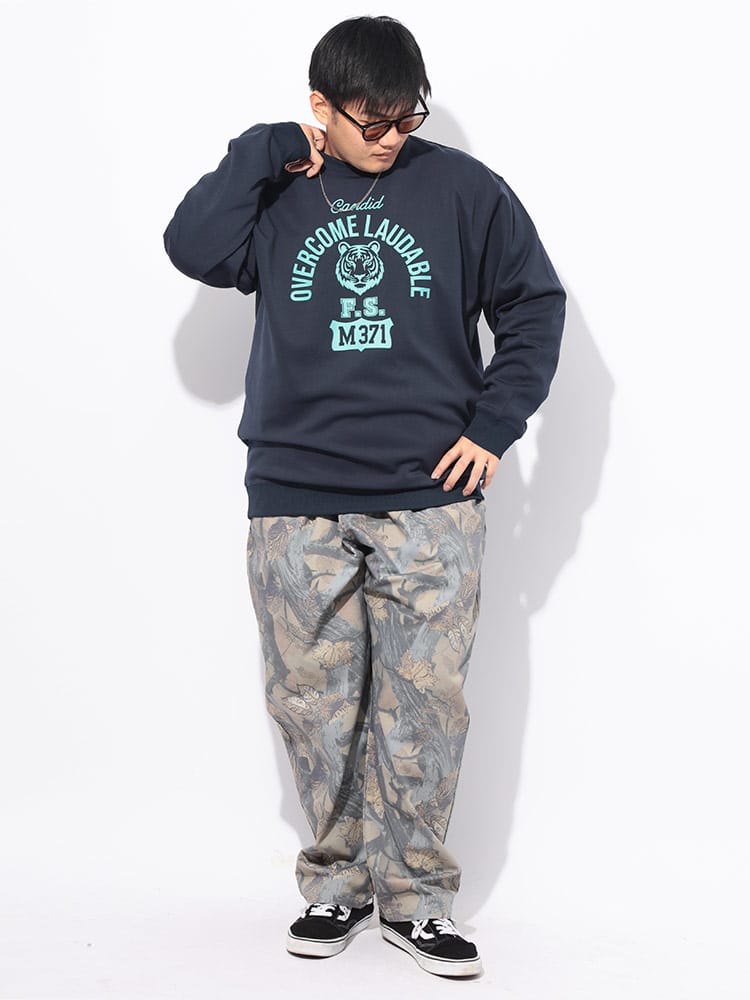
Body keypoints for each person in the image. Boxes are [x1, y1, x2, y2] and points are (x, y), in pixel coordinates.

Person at [163, 14, 566, 979]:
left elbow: (533, 304)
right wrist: (263, 149)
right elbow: (190, 246)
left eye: (405, 117)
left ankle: (419, 901)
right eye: (369, 120)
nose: (390, 137)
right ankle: (336, 886)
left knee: (423, 707)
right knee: (314, 704)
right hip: (295, 495)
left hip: (429, 498)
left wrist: (493, 427)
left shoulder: (464, 190)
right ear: (321, 108)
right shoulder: (278, 188)